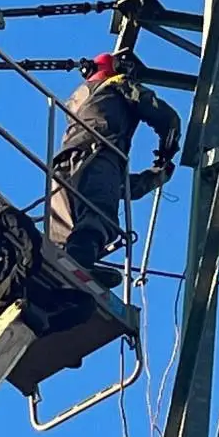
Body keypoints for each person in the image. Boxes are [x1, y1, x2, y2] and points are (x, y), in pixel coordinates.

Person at [48, 49, 181, 273]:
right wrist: (168, 148)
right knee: (96, 219)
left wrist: (154, 177)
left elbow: (121, 188)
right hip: (99, 152)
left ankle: (63, 269)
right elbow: (166, 117)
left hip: (61, 169)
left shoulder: (78, 103)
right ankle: (79, 266)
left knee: (61, 234)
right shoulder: (117, 84)